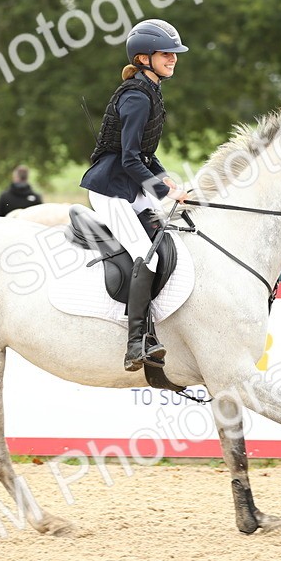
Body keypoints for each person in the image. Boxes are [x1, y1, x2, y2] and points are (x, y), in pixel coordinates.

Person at [80, 18, 188, 371]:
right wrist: (163, 190)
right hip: (111, 188)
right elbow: (128, 159)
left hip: (129, 184)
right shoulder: (137, 97)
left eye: (174, 53)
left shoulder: (151, 90)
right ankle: (137, 341)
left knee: (176, 229)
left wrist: (167, 181)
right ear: (144, 58)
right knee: (148, 256)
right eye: (165, 53)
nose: (173, 58)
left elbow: (145, 155)